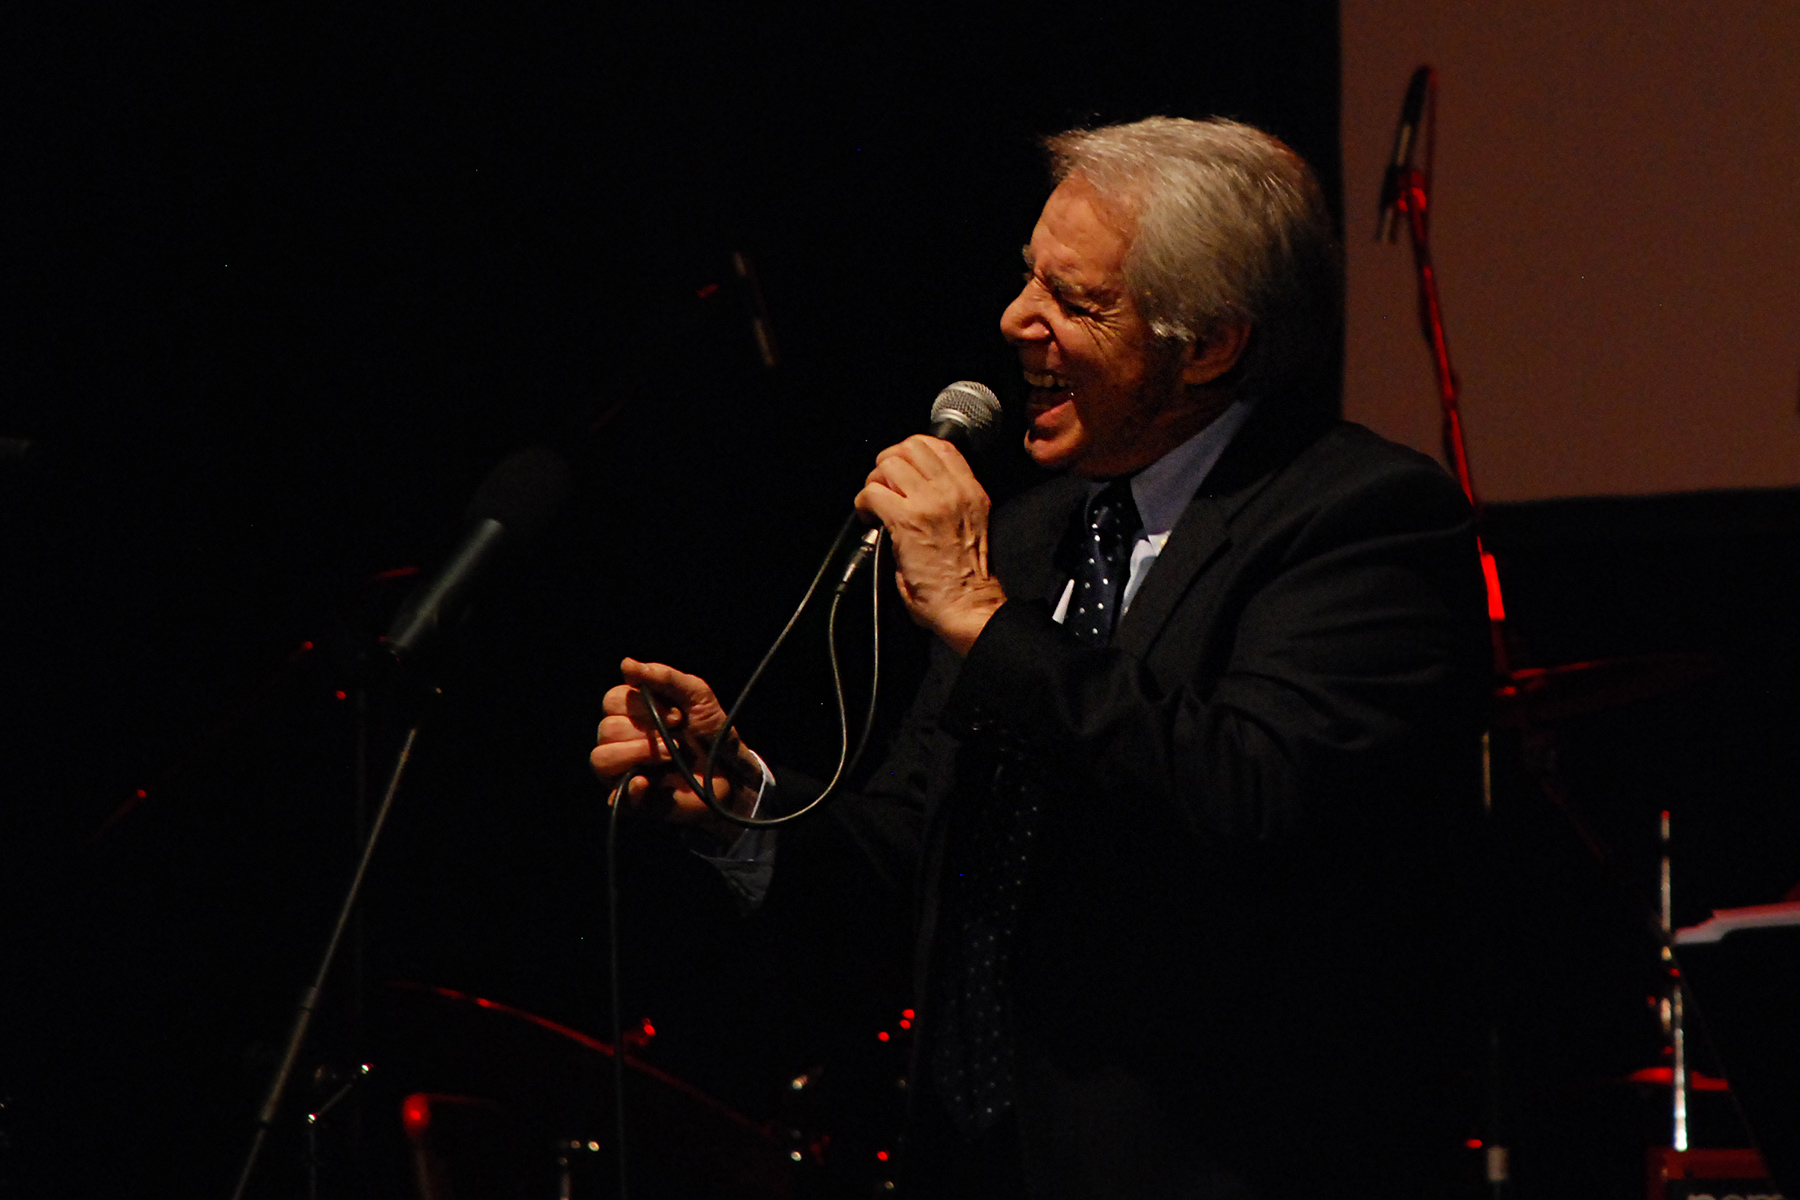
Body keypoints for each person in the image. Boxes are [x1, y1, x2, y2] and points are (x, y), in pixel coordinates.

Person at [592, 117, 1491, 1199]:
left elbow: (1250, 789)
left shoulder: (1360, 516)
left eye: (1076, 300)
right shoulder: (1031, 537)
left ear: (1211, 343)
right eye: (1029, 277)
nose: (1017, 320)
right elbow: (924, 854)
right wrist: (739, 802)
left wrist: (980, 616)